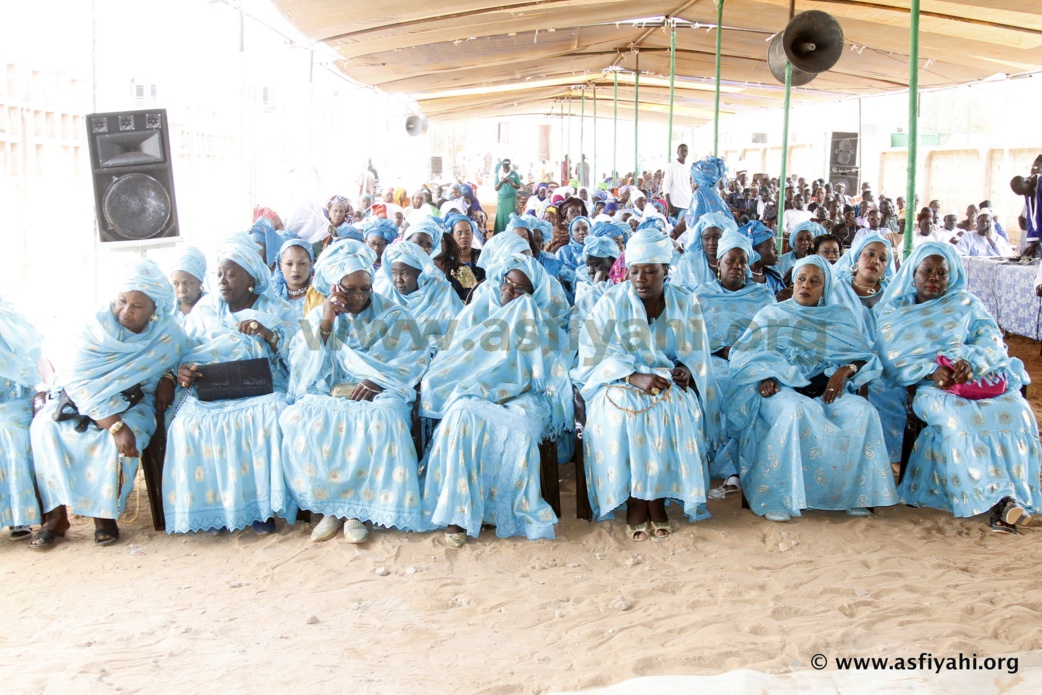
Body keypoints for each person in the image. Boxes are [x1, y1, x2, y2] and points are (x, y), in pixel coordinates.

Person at [876, 242, 1041, 533]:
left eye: (942, 272)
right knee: (962, 420)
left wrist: (971, 361)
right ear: (912, 273)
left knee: (1019, 414)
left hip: (977, 382)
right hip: (931, 389)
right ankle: (999, 502)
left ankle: (1013, 496)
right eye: (927, 271)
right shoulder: (894, 313)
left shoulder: (967, 304)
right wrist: (931, 369)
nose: (934, 278)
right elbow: (891, 358)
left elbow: (991, 340)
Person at [571, 229, 719, 540]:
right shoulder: (612, 301)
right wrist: (631, 376)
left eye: (650, 271)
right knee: (626, 413)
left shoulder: (685, 302)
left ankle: (655, 499)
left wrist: (685, 371)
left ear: (666, 271)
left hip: (665, 381)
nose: (640, 278)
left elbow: (696, 352)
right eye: (634, 270)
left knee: (673, 409)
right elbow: (592, 353)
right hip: (614, 381)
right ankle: (638, 500)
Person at [725, 255, 897, 522]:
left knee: (862, 411)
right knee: (797, 410)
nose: (806, 285)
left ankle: (853, 495)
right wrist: (764, 376)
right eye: (801, 279)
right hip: (782, 390)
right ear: (793, 282)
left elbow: (863, 355)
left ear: (825, 288)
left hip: (826, 388)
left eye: (814, 281)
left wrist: (845, 370)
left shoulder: (839, 317)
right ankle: (779, 497)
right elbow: (743, 355)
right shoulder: (772, 314)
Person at [280, 241, 430, 543]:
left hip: (382, 390)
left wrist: (378, 381)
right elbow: (301, 365)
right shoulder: (320, 315)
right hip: (330, 389)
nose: (359, 297)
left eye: (365, 288)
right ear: (335, 286)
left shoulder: (393, 315)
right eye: (349, 289)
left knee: (382, 418)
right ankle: (332, 509)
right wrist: (326, 321)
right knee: (302, 416)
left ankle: (357, 513)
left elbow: (414, 358)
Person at [30, 260, 185, 548]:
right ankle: (55, 516)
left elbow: (178, 359)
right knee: (45, 428)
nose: (126, 311)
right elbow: (78, 382)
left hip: (134, 399)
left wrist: (167, 376)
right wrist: (113, 424)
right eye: (122, 301)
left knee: (117, 439)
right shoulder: (94, 326)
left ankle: (103, 516)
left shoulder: (169, 334)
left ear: (155, 311)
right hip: (79, 399)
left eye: (138, 306)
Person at [419, 253, 571, 545]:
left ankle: (495, 511)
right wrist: (486, 386)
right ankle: (457, 514)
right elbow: (456, 355)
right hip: (475, 387)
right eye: (506, 283)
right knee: (461, 413)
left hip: (525, 395)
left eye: (520, 289)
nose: (508, 291)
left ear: (533, 294)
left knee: (520, 427)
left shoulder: (537, 318)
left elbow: (550, 368)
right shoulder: (479, 309)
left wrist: (510, 385)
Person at [164, 234, 299, 535]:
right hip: (211, 389)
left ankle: (260, 509)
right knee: (187, 423)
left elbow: (306, 353)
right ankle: (216, 511)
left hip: (264, 387)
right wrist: (182, 369)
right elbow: (183, 351)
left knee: (270, 414)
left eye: (231, 273)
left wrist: (269, 335)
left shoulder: (278, 310)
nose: (222, 281)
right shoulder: (205, 310)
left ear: (250, 276)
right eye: (219, 274)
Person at [693, 233, 775, 493]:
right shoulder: (702, 295)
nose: (737, 266)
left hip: (752, 360)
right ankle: (724, 467)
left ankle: (742, 465)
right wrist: (721, 349)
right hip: (713, 359)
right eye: (731, 260)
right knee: (719, 382)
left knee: (752, 385)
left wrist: (744, 353)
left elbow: (773, 334)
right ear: (718, 263)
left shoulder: (762, 296)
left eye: (742, 261)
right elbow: (692, 336)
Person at [830, 233, 906, 463]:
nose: (875, 261)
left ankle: (889, 457)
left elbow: (902, 334)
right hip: (843, 358)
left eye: (883, 259)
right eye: (870, 254)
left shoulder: (894, 296)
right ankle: (862, 459)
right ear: (856, 257)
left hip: (887, 360)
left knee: (892, 385)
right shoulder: (835, 290)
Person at [0, 295, 43, 540]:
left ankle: (19, 517)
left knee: (9, 432)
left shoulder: (9, 324)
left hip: (13, 401)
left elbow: (35, 372)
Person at [374, 240, 463, 356]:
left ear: (420, 274)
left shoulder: (442, 292)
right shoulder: (386, 293)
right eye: (394, 273)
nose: (398, 280)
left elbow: (455, 336)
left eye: (404, 274)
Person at [672, 212, 738, 290]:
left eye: (717, 237)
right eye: (707, 238)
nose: (712, 243)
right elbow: (678, 291)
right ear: (701, 241)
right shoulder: (689, 262)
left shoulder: (736, 260)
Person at [271, 239, 321, 318]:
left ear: (310, 265)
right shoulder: (271, 296)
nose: (295, 269)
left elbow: (309, 330)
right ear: (281, 266)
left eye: (302, 264)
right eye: (289, 264)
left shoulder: (319, 296)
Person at [741, 220, 785, 295]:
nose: (777, 251)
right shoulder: (739, 279)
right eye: (773, 247)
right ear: (753, 249)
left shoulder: (774, 279)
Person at [168, 246, 207, 323]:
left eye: (188, 283)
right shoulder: (166, 310)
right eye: (176, 284)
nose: (181, 289)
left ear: (200, 282)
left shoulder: (214, 307)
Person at [662, 144, 693, 219]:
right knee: (675, 228)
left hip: (687, 204)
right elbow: (666, 186)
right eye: (682, 151)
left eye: (686, 151)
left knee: (686, 229)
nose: (684, 153)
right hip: (675, 205)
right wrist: (669, 205)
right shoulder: (671, 166)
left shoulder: (689, 167)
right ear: (677, 152)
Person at [493, 159, 523, 234]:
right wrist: (501, 181)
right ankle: (500, 232)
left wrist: (512, 183)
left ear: (509, 166)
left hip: (511, 198)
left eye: (507, 168)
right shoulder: (499, 175)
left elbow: (518, 186)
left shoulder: (514, 174)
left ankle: (510, 232)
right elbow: (496, 188)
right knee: (501, 216)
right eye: (504, 168)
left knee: (510, 215)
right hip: (501, 199)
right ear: (502, 167)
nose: (506, 169)